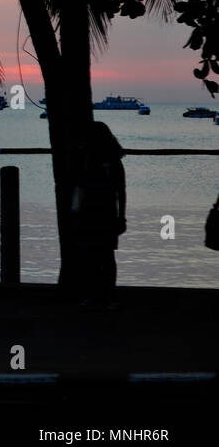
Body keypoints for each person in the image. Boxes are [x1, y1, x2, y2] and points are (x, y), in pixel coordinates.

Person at [71, 121, 127, 309]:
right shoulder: (111, 161)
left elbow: (79, 189)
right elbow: (121, 192)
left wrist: (74, 212)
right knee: (105, 256)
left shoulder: (89, 161)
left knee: (94, 256)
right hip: (105, 212)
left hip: (92, 212)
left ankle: (98, 296)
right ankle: (106, 296)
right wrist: (122, 216)